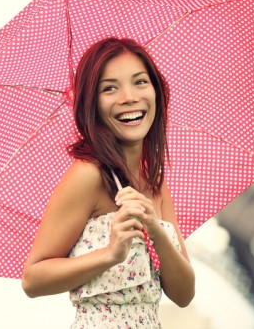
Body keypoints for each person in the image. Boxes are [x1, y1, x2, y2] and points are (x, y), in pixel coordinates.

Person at [21, 37, 195, 328]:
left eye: (140, 82)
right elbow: (32, 279)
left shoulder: (154, 180)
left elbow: (184, 294)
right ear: (93, 104)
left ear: (156, 91)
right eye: (110, 88)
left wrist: (156, 231)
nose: (129, 96)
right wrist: (110, 254)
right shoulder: (88, 175)